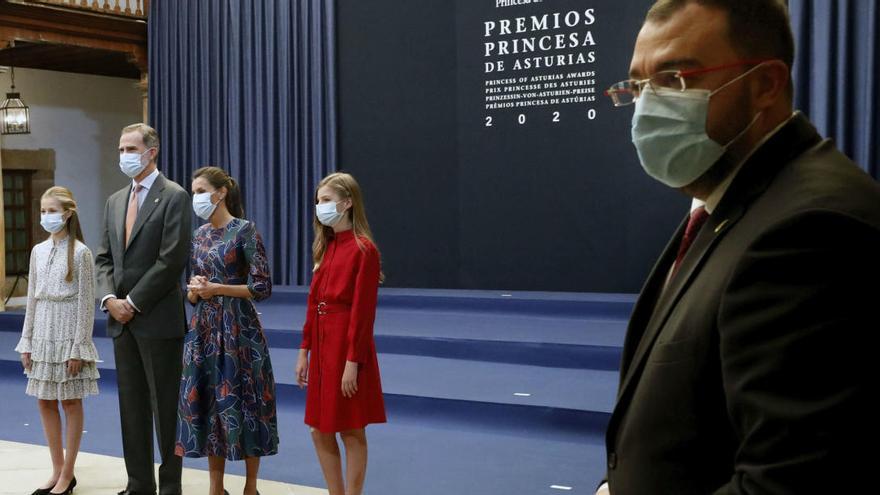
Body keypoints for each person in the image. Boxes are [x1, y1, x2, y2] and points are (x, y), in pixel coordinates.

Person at [599, 1, 880, 493]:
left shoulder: (807, 230)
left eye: (675, 79)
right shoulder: (731, 200)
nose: (647, 107)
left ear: (765, 85)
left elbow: (788, 481)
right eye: (639, 86)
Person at [95, 123, 192, 495]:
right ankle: (138, 485)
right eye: (120, 149)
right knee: (131, 409)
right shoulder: (115, 200)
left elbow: (171, 260)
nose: (123, 156)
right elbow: (104, 259)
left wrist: (132, 302)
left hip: (157, 319)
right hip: (120, 321)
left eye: (130, 149)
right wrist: (109, 300)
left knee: (165, 409)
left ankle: (170, 487)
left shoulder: (174, 196)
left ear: (151, 152)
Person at [176, 166, 278, 495]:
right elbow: (194, 290)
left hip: (239, 329)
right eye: (194, 192)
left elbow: (261, 286)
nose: (197, 198)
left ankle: (251, 487)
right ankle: (215, 488)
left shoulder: (245, 231)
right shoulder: (199, 235)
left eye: (201, 191)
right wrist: (195, 289)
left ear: (220, 193)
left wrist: (219, 288)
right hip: (204, 328)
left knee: (246, 402)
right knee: (208, 404)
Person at [295, 172, 386, 495]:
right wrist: (304, 350)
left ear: (347, 203)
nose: (320, 207)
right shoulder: (326, 246)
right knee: (319, 430)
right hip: (321, 345)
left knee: (350, 429)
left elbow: (363, 313)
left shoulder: (364, 250)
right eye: (318, 201)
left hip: (346, 348)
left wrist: (352, 361)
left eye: (327, 200)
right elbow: (312, 302)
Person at [16, 187, 98, 495]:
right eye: (43, 211)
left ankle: (68, 473)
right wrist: (27, 341)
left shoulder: (81, 253)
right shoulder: (37, 251)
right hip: (42, 331)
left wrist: (79, 345)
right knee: (44, 400)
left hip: (68, 330)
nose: (46, 216)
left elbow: (86, 303)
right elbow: (32, 300)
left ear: (68, 213)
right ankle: (55, 470)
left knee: (70, 401)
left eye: (52, 211)